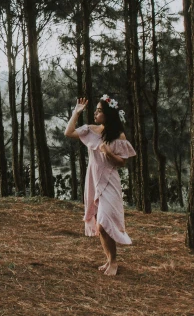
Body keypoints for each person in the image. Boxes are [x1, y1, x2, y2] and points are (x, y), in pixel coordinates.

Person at [65, 95, 136, 276]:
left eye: (99, 110)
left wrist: (109, 152)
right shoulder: (91, 130)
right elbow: (69, 132)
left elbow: (122, 162)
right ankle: (109, 259)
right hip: (94, 178)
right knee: (100, 226)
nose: (95, 113)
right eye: (95, 110)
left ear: (108, 114)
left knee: (104, 224)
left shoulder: (118, 136)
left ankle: (114, 262)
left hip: (110, 181)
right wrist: (76, 112)